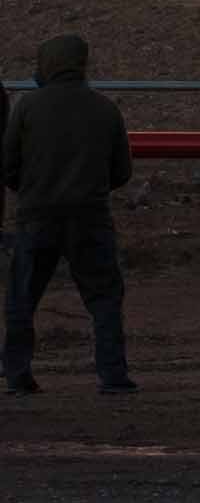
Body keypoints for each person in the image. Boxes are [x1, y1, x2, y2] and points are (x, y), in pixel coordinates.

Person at [1, 34, 135, 397]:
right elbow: (122, 171)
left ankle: (17, 373)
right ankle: (113, 375)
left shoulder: (28, 107)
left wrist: (31, 191)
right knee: (104, 298)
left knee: (22, 298)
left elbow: (8, 164)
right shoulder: (105, 109)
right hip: (90, 217)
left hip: (37, 215)